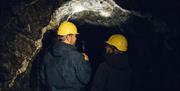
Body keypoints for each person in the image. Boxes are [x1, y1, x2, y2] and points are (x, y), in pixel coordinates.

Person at [39, 21, 91, 91]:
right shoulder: (76, 57)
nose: (76, 38)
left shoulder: (47, 55)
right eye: (74, 36)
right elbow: (85, 79)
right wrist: (86, 62)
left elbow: (43, 79)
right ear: (68, 37)